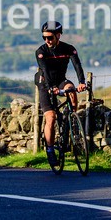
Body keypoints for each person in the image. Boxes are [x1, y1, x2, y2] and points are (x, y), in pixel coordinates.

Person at [35, 21, 87, 167]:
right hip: (45, 84)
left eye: (50, 38)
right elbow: (44, 70)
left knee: (71, 90)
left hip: (60, 81)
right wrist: (51, 87)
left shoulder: (68, 48)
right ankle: (50, 150)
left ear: (58, 35)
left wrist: (82, 82)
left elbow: (77, 65)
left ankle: (70, 119)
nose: (47, 41)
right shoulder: (41, 51)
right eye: (44, 38)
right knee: (50, 118)